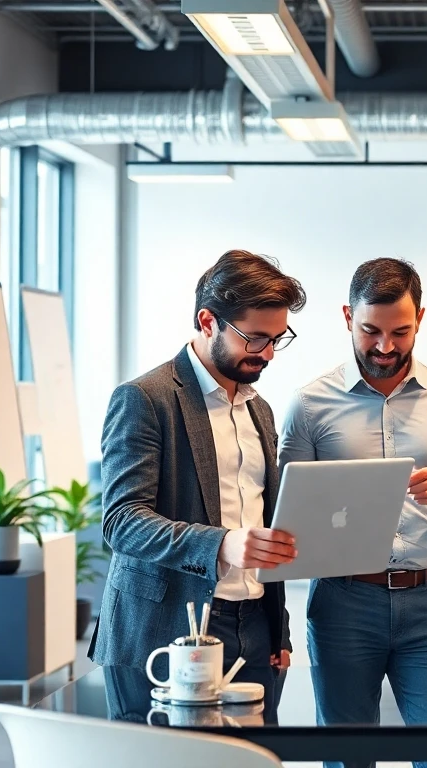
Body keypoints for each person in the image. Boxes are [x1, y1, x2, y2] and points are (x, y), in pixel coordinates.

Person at [279, 257, 427, 768]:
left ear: (420, 317)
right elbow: (284, 516)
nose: (384, 346)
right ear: (345, 317)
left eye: (400, 331)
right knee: (346, 757)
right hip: (344, 603)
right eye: (369, 330)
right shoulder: (309, 404)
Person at [92, 249, 304, 715]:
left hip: (254, 629)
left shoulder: (259, 410)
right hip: (164, 629)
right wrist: (221, 545)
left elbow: (265, 522)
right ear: (208, 321)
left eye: (278, 338)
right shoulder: (144, 399)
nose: (267, 353)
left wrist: (277, 628)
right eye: (255, 338)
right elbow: (122, 522)